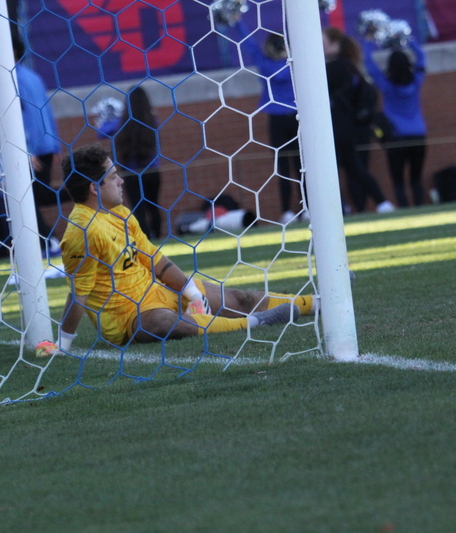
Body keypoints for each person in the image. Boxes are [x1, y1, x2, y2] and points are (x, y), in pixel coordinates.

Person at [53, 144, 316, 352]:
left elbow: (153, 258)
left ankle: (314, 303)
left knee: (236, 298)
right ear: (94, 188)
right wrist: (63, 344)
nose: (121, 181)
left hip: (157, 292)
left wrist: (190, 292)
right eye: (113, 177)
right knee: (162, 323)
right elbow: (78, 294)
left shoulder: (120, 212)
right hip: (128, 318)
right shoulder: (81, 232)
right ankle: (253, 323)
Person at [235, 21, 302, 224]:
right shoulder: (295, 63)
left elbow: (248, 44)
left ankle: (287, 212)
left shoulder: (265, 65)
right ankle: (305, 208)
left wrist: (237, 22)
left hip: (277, 121)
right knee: (302, 166)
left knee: (282, 168)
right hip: (297, 118)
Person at [323, 27, 395, 214]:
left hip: (339, 126)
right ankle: (381, 202)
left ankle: (339, 208)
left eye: (324, 43)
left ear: (336, 45)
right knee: (355, 168)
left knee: (328, 171)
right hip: (345, 126)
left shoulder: (337, 67)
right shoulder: (349, 66)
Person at [14, 37, 64, 257]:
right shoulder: (34, 76)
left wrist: (25, 150)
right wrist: (55, 144)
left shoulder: (10, 79)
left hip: (30, 149)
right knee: (34, 197)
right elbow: (46, 112)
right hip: (45, 144)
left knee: (27, 199)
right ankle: (48, 241)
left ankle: (48, 241)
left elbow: (20, 117)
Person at [364, 38, 428, 207]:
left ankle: (404, 210)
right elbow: (421, 57)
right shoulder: (416, 82)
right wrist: (407, 40)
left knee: (398, 180)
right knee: (416, 178)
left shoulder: (386, 86)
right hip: (418, 135)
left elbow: (369, 64)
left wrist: (368, 41)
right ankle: (420, 207)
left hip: (395, 138)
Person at [97, 86, 163, 238]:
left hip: (131, 173)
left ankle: (145, 240)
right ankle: (159, 237)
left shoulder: (121, 123)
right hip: (153, 171)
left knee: (137, 208)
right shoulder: (153, 121)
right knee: (153, 207)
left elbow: (100, 133)